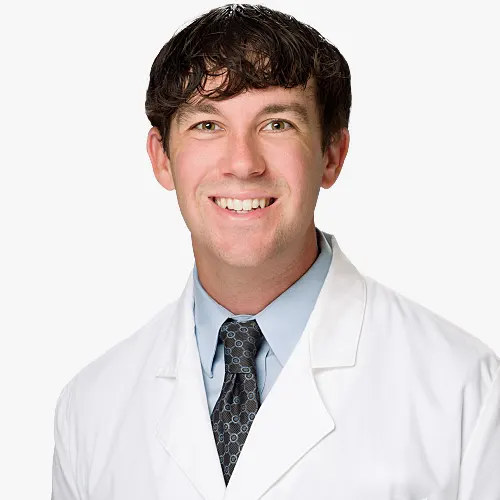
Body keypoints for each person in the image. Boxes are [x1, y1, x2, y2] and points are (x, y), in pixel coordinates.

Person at [51, 4, 500, 499]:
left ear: (332, 155)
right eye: (207, 125)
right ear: (162, 158)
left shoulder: (465, 391)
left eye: (278, 124)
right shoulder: (90, 409)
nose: (243, 164)